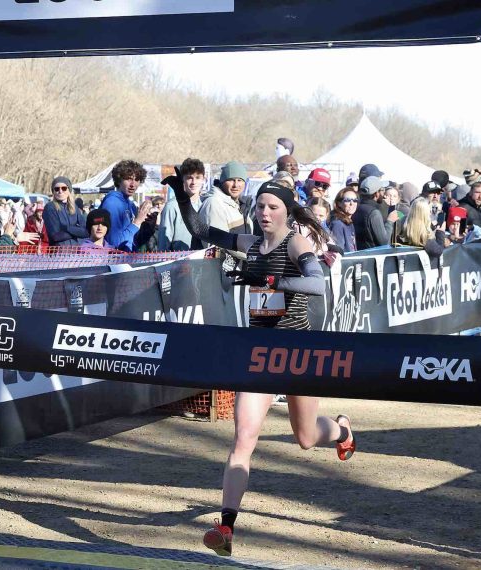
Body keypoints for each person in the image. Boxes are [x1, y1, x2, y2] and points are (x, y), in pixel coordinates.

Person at [169, 177, 355, 558]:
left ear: (287, 210)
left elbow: (317, 285)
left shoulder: (296, 243)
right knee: (243, 440)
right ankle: (225, 527)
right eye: (260, 206)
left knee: (305, 438)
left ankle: (342, 431)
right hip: (258, 355)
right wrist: (181, 197)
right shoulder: (249, 244)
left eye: (273, 207)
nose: (264, 213)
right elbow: (202, 231)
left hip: (297, 352)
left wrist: (272, 279)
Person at [199, 161, 250, 265]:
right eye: (231, 180)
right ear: (222, 181)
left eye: (240, 180)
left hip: (237, 268)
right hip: (218, 270)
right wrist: (252, 255)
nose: (236, 185)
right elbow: (217, 244)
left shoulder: (239, 205)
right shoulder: (214, 203)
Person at [100, 160, 155, 251]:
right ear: (119, 180)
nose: (133, 184)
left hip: (130, 258)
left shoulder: (131, 204)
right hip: (115, 261)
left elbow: (136, 241)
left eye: (137, 180)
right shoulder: (112, 203)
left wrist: (149, 227)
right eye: (129, 179)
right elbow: (114, 243)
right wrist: (137, 222)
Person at [157, 158, 206, 251]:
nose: (193, 182)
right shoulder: (172, 206)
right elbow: (163, 244)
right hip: (178, 262)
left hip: (202, 262)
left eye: (198, 177)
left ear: (203, 179)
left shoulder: (206, 205)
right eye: (189, 178)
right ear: (182, 179)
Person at [43, 176, 87, 248]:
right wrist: (77, 231)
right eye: (57, 189)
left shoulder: (74, 206)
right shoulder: (50, 207)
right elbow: (55, 236)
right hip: (59, 253)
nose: (60, 191)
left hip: (77, 250)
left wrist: (67, 229)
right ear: (53, 192)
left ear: (69, 190)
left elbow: (85, 232)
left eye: (64, 188)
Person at [351, 176, 395, 250]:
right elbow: (384, 242)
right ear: (376, 194)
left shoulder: (356, 207)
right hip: (372, 257)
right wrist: (390, 221)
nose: (384, 194)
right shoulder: (374, 213)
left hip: (360, 254)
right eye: (382, 190)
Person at [329, 188, 358, 252]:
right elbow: (338, 251)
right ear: (339, 203)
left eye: (355, 200)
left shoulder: (348, 221)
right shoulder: (337, 224)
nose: (352, 203)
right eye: (347, 200)